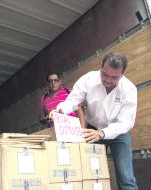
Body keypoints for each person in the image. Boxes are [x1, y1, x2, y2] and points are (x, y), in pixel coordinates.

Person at [50, 52, 138, 190]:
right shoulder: (88, 79)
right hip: (92, 130)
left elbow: (126, 122)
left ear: (122, 74)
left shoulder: (129, 89)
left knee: (126, 177)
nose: (108, 80)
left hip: (119, 134)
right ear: (100, 67)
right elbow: (73, 100)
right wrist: (60, 109)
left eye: (114, 77)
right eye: (104, 74)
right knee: (89, 173)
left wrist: (102, 133)